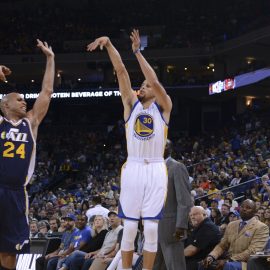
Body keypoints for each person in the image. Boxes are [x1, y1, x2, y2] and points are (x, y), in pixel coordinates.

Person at [87, 29, 172, 270]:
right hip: (133, 165)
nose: (142, 87)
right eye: (141, 85)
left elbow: (154, 80)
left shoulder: (164, 107)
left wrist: (137, 52)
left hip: (156, 167)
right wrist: (110, 44)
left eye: (145, 85)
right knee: (131, 226)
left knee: (152, 227)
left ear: (155, 91)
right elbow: (121, 71)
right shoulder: (131, 105)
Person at [0, 40, 55, 270]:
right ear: (5, 104)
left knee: (10, 250)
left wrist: (50, 59)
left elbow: (47, 91)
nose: (24, 101)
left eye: (24, 99)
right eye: (19, 99)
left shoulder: (30, 123)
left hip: (16, 193)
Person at [153, 139, 192, 270]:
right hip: (153, 226)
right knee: (156, 266)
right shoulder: (152, 169)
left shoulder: (177, 167)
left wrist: (181, 225)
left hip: (171, 226)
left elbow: (184, 200)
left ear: (170, 149)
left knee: (175, 266)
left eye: (165, 145)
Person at [202, 199, 269, 270]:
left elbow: (252, 251)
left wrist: (229, 260)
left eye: (248, 208)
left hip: (245, 263)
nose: (244, 209)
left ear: (255, 211)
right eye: (242, 207)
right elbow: (222, 245)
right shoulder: (231, 224)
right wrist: (212, 256)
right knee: (204, 263)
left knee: (227, 266)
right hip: (228, 259)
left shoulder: (261, 227)